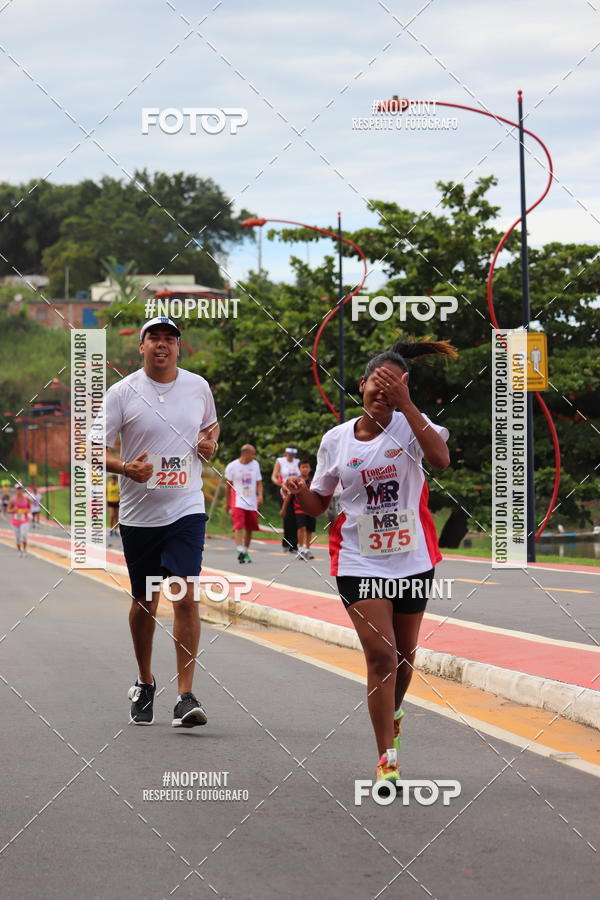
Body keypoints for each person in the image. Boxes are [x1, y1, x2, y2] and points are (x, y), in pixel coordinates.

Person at [282, 339, 455, 787]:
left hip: (412, 558)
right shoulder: (336, 440)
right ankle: (386, 758)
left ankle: (392, 711)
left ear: (405, 388)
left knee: (405, 655)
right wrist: (298, 493)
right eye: (378, 384)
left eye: (395, 386)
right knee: (382, 654)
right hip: (359, 559)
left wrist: (407, 406)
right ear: (361, 385)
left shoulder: (414, 427)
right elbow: (319, 503)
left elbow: (441, 460)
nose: (384, 392)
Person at [101, 316, 220, 728]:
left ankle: (185, 695)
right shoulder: (122, 392)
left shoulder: (197, 386)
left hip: (186, 507)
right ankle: (145, 681)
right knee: (145, 601)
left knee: (185, 595)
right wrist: (125, 468)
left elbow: (211, 426)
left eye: (170, 338)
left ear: (178, 347)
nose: (163, 344)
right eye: (154, 337)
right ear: (142, 346)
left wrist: (210, 442)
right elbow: (93, 449)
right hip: (139, 516)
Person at [224, 444, 263, 563]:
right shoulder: (232, 466)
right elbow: (228, 486)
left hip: (251, 501)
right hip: (238, 501)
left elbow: (259, 482)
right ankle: (239, 549)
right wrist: (227, 503)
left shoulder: (255, 464)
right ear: (245, 453)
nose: (254, 456)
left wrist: (260, 495)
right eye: (253, 454)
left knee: (250, 527)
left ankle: (245, 551)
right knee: (238, 525)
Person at [271, 446, 300, 552]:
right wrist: (279, 483)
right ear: (286, 453)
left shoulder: (298, 462)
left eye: (293, 455)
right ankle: (286, 542)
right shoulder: (280, 461)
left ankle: (294, 544)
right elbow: (274, 476)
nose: (291, 457)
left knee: (296, 517)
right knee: (288, 517)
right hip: (284, 490)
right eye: (289, 455)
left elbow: (301, 476)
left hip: (296, 491)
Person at [294, 460, 317, 559]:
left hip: (310, 508)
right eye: (303, 467)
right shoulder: (296, 480)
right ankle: (300, 549)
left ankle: (307, 549)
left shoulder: (314, 481)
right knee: (301, 528)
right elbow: (291, 494)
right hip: (299, 508)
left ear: (310, 469)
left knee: (309, 529)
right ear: (299, 469)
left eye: (307, 467)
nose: (305, 469)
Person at [9, 484, 32, 557]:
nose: (19, 490)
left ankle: (24, 550)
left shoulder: (26, 499)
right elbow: (8, 510)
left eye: (20, 489)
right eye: (18, 489)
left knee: (24, 535)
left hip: (24, 520)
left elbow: (29, 508)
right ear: (15, 490)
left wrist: (27, 510)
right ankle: (19, 551)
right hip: (15, 521)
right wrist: (13, 510)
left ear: (22, 489)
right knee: (18, 537)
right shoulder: (13, 500)